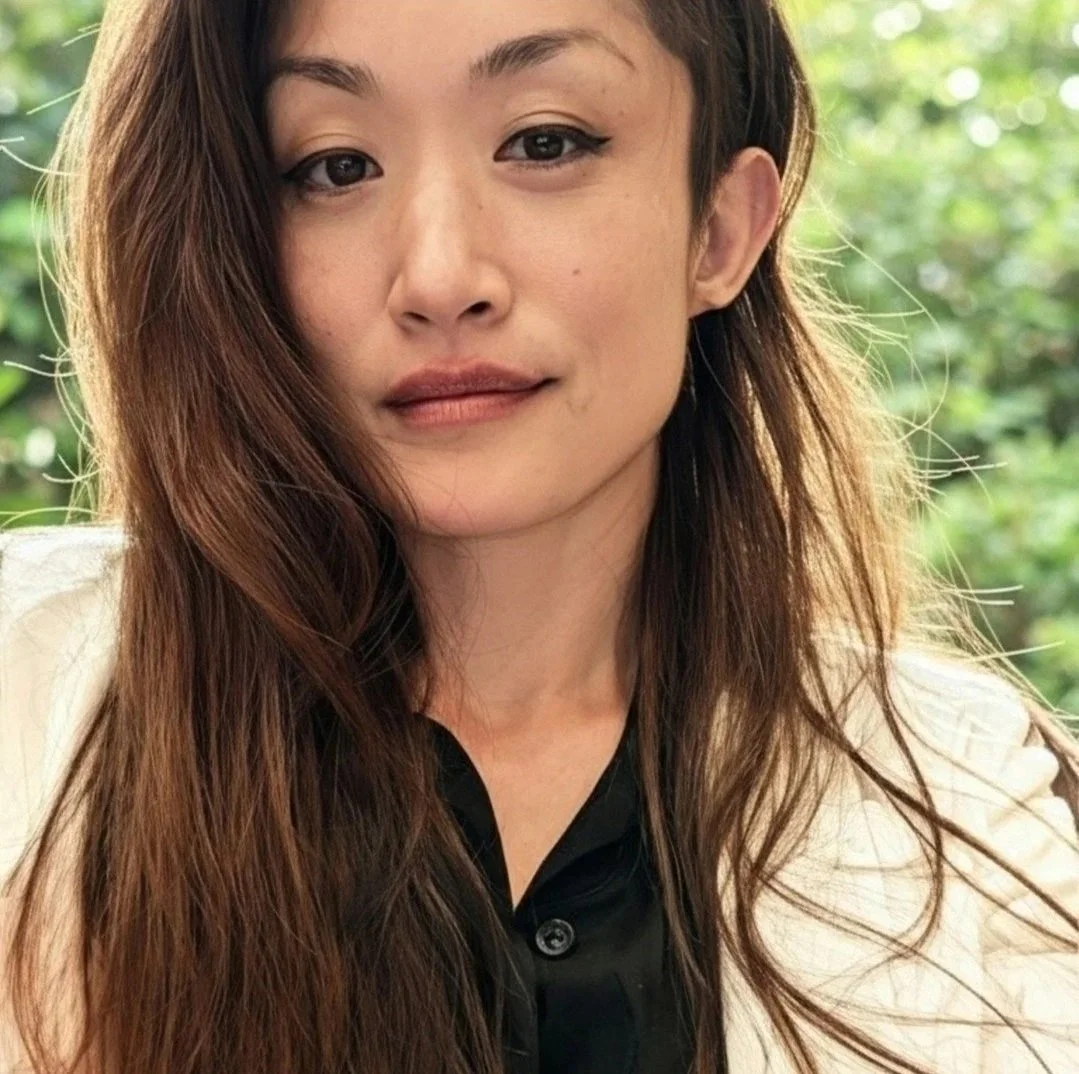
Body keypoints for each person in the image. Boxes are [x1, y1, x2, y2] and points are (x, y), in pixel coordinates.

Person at [1, 0, 1077, 1072]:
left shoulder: (976, 818)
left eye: (544, 142)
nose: (438, 278)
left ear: (720, 229)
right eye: (332, 168)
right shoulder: (29, 706)